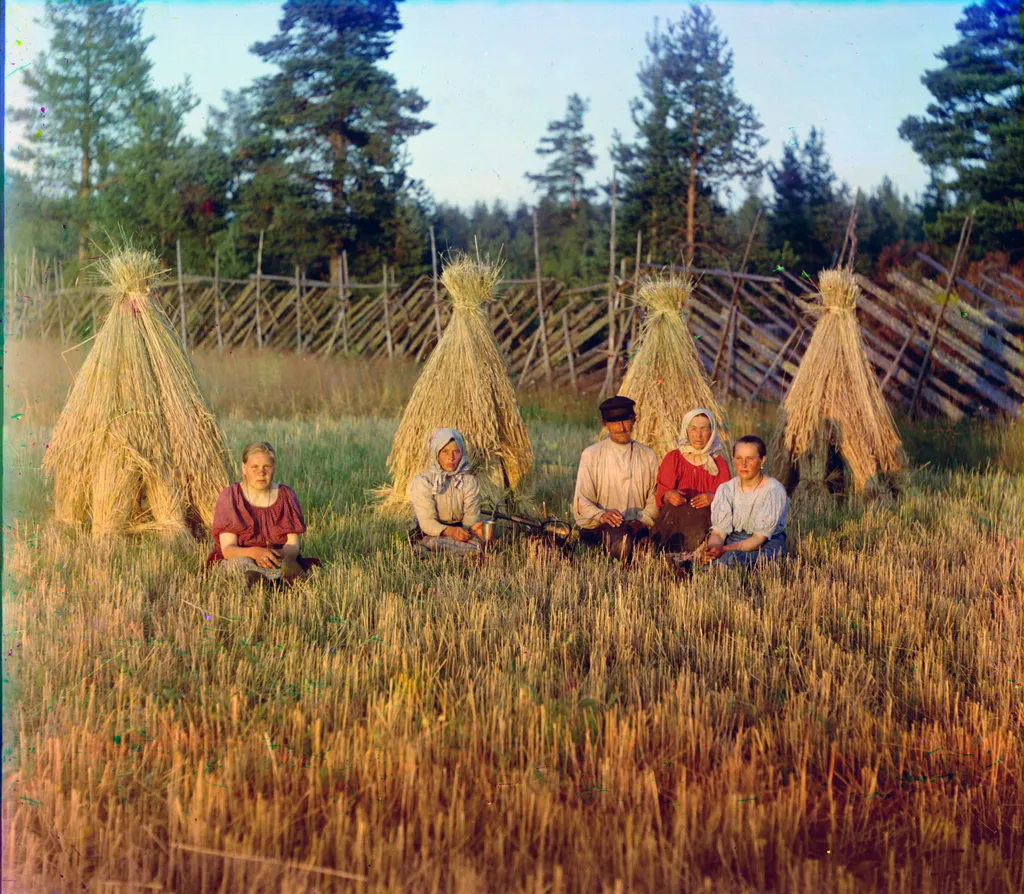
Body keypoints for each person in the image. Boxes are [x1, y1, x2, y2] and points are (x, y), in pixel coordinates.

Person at [207, 441, 320, 586]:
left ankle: (280, 581)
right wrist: (256, 553)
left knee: (287, 563)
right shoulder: (230, 496)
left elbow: (293, 545)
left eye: (267, 466)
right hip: (241, 556)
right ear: (244, 468)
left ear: (274, 468)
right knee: (242, 565)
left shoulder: (286, 496)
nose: (261, 472)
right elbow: (228, 549)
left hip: (276, 557)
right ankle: (262, 582)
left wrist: (274, 555)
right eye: (254, 467)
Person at [573, 395, 659, 563]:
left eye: (625, 420)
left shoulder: (648, 455)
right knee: (620, 542)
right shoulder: (591, 454)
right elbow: (582, 500)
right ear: (604, 425)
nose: (621, 428)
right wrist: (602, 515)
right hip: (604, 527)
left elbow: (655, 497)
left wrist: (641, 521)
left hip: (638, 526)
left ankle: (639, 550)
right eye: (614, 422)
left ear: (634, 420)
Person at [696, 435, 788, 570]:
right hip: (734, 540)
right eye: (739, 458)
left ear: (762, 461)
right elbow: (718, 533)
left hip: (766, 542)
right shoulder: (726, 489)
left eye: (750, 459)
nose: (743, 464)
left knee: (737, 559)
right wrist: (713, 549)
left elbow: (758, 539)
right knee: (707, 560)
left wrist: (725, 550)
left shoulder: (773, 490)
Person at [651, 408, 731, 553]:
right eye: (693, 429)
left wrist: (713, 498)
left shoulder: (719, 464)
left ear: (711, 432)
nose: (698, 435)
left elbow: (728, 498)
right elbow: (661, 492)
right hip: (675, 520)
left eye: (704, 429)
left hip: (704, 522)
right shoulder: (673, 458)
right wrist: (669, 495)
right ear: (686, 431)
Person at [408, 428, 489, 557]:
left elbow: (471, 517)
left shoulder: (469, 482)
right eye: (445, 452)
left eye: (456, 452)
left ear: (462, 454)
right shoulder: (424, 481)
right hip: (433, 533)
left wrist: (469, 531)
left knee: (482, 541)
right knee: (436, 542)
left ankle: (440, 554)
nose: (451, 458)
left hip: (460, 531)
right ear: (437, 453)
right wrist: (450, 531)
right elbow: (427, 522)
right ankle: (429, 550)